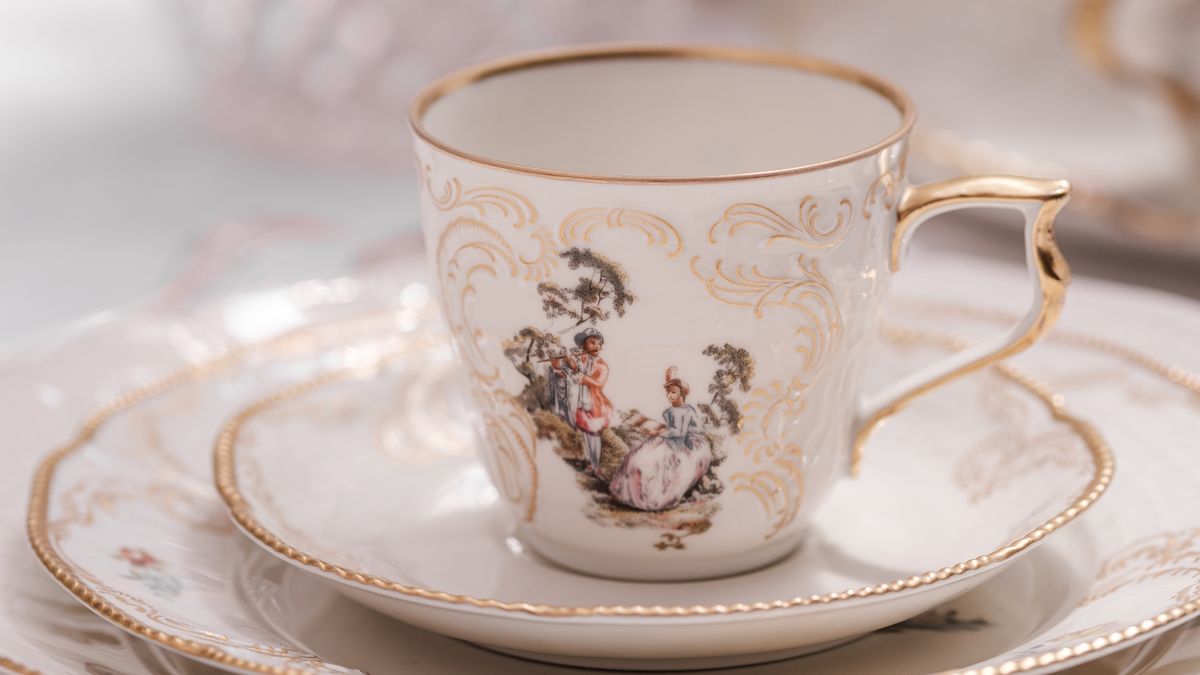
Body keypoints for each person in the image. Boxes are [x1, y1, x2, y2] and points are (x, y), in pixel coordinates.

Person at [609, 367, 712, 511]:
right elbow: (674, 429)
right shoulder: (676, 410)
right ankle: (629, 494)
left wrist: (655, 431)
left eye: (673, 392)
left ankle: (649, 498)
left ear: (682, 394)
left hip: (684, 444)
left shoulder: (684, 411)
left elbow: (678, 434)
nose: (669, 395)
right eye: (668, 392)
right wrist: (659, 430)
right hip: (672, 438)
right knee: (636, 456)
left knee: (648, 461)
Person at [553, 327, 612, 475]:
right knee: (586, 432)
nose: (596, 346)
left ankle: (596, 465)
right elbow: (566, 368)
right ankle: (590, 461)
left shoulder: (601, 365)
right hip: (581, 402)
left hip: (594, 403)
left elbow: (598, 383)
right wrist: (563, 358)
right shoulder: (581, 359)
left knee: (594, 434)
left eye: (599, 343)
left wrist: (580, 376)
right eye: (592, 343)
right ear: (583, 345)